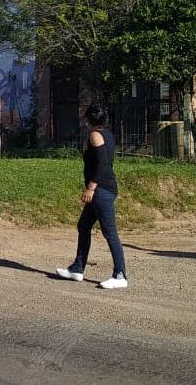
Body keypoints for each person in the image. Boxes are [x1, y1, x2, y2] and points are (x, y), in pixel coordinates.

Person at [56, 104, 128, 289]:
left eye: (85, 117)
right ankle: (77, 269)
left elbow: (102, 164)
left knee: (110, 232)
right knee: (83, 225)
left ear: (88, 119)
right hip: (103, 189)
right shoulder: (107, 134)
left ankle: (120, 275)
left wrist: (91, 188)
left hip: (101, 190)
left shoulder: (95, 135)